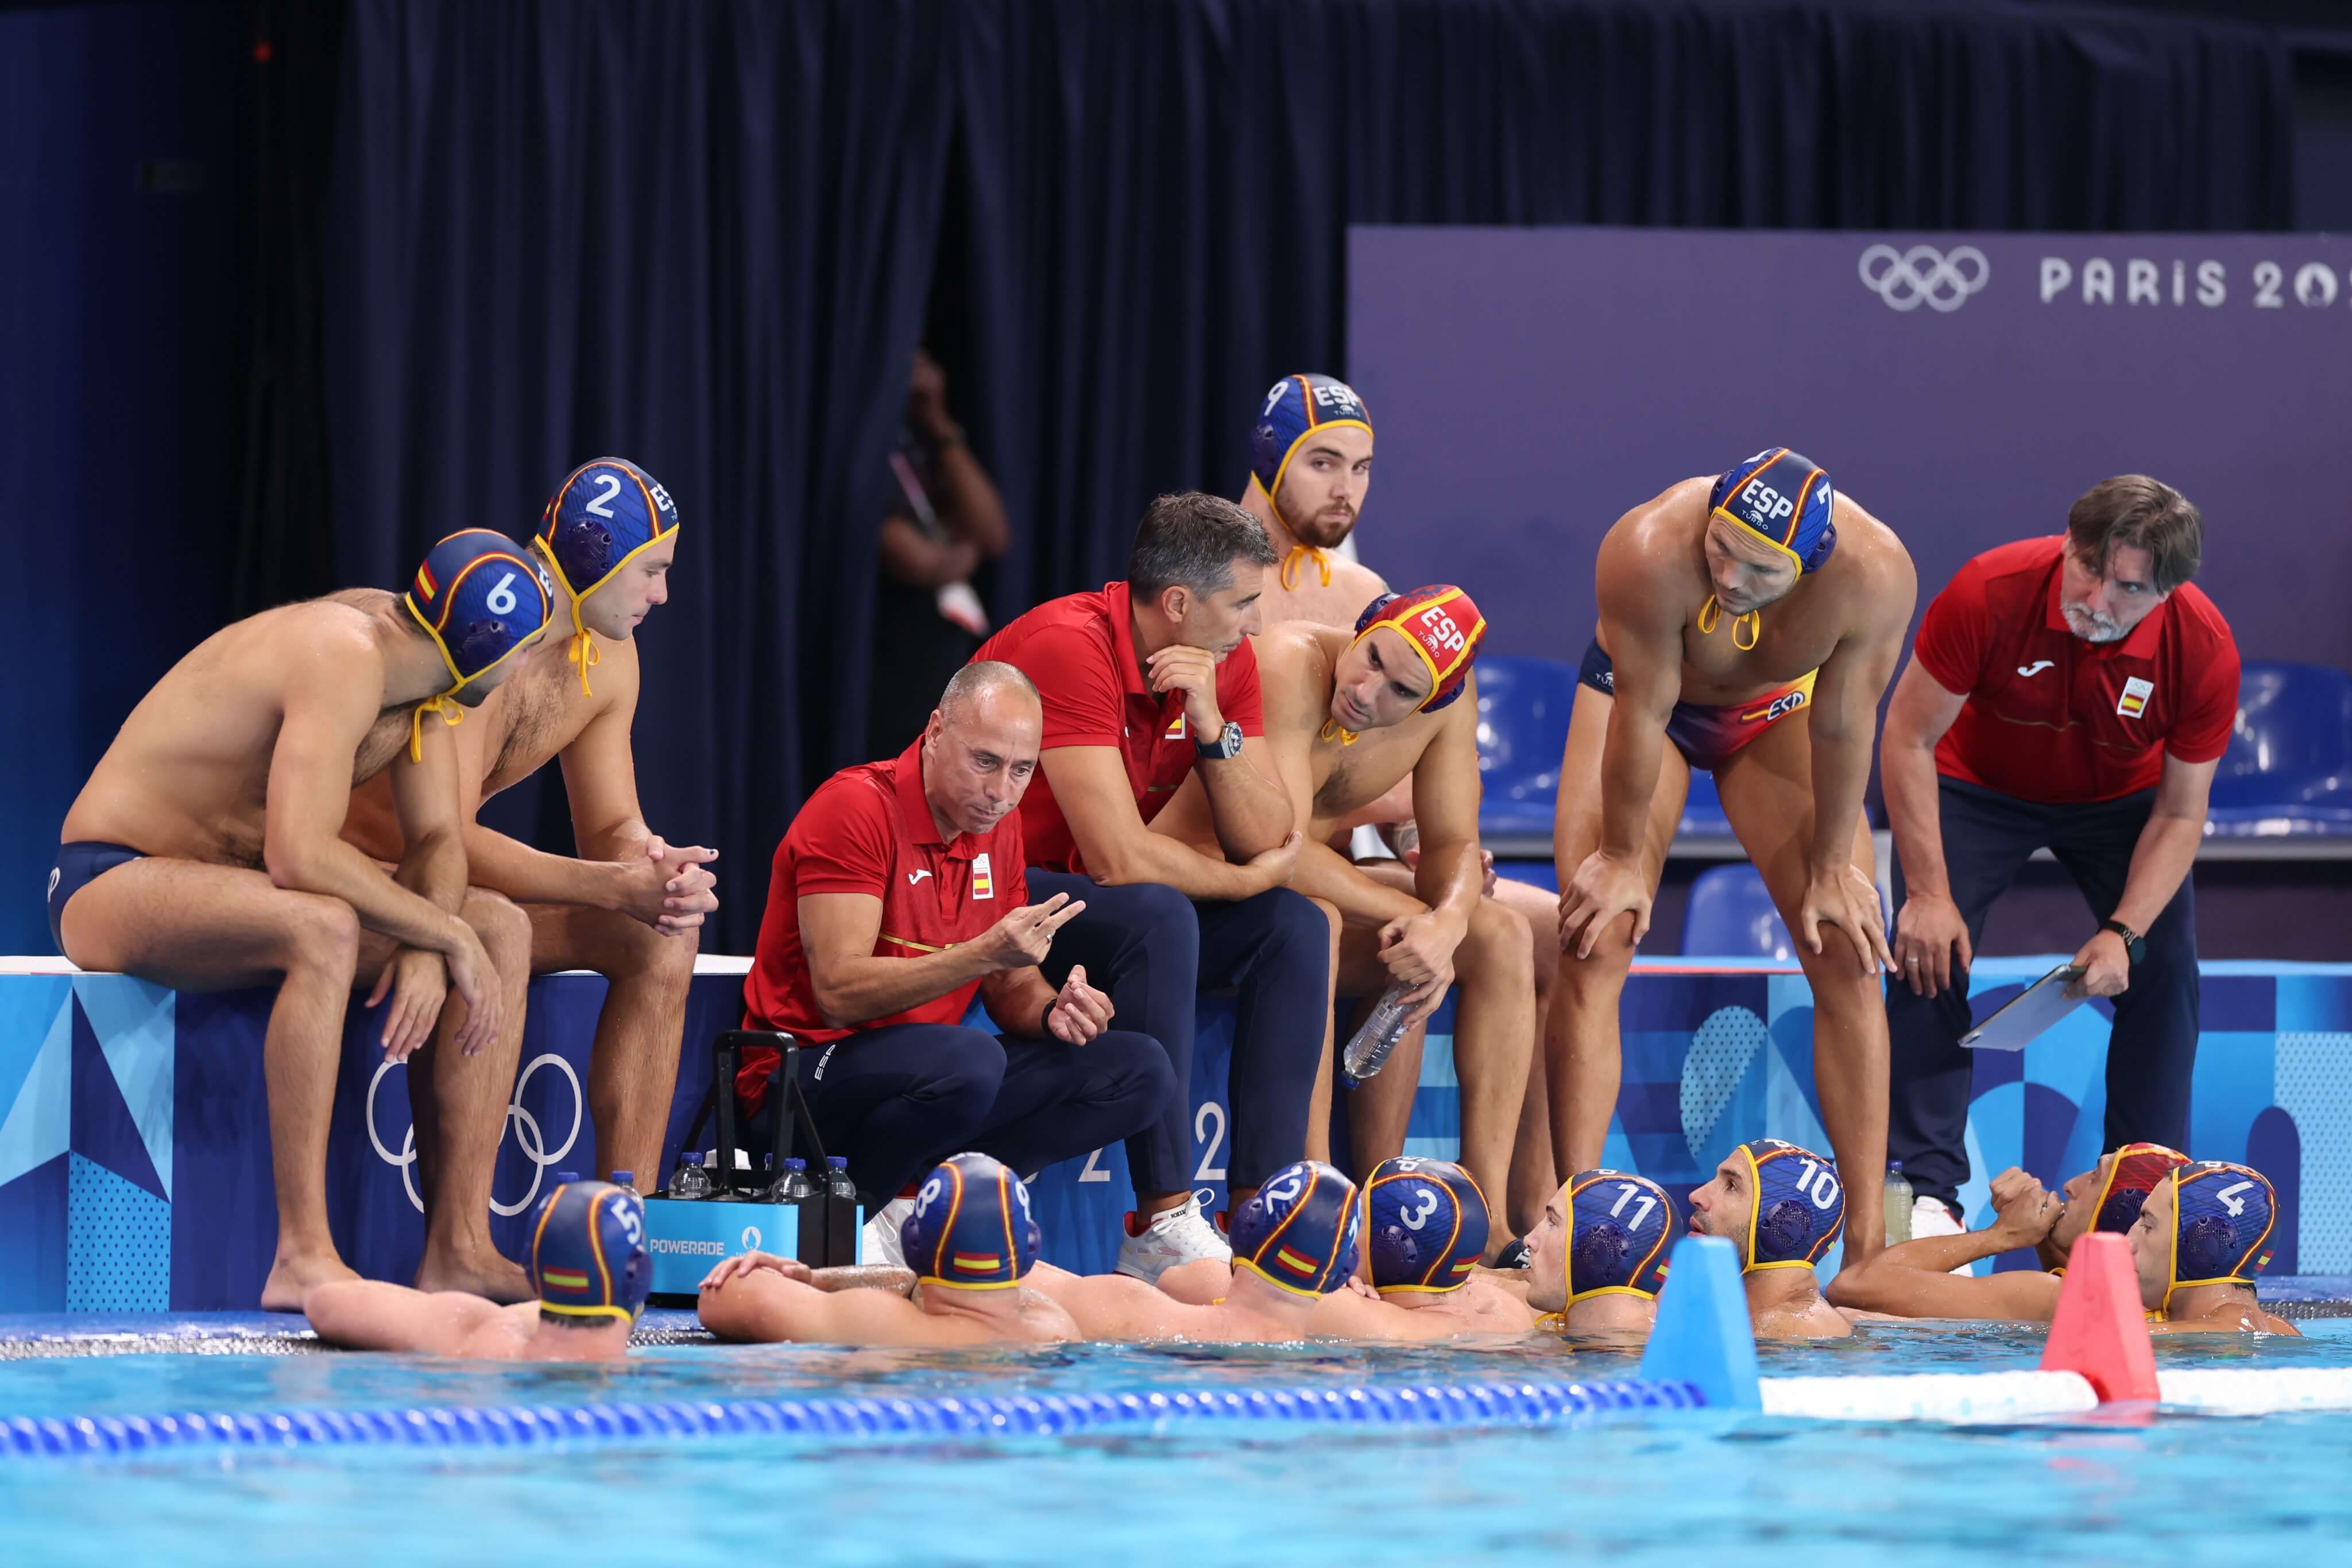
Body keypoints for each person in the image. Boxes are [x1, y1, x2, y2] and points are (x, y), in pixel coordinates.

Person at [49, 530, 551, 1309]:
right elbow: (298, 855)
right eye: (525, 655)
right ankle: (304, 1254)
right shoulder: (344, 653)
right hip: (111, 874)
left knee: (501, 927)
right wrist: (437, 930)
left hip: (229, 885)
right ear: (489, 650)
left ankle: (458, 1248)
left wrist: (436, 933)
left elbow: (439, 841)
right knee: (325, 927)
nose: (524, 674)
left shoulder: (421, 682)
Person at [1550, 449, 1913, 1265]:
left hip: (1781, 712)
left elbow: (1845, 725)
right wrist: (1616, 855)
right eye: (1720, 549)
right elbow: (1644, 714)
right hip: (1648, 704)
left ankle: (1865, 1249)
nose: (1731, 579)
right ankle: (1577, 1231)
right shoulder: (1645, 545)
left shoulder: (1875, 571)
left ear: (1812, 562)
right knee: (1594, 932)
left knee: (1850, 948)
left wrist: (1831, 866)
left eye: (1760, 568)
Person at [343, 458, 718, 1200]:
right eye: (651, 571)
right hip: (367, 875)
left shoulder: (610, 659)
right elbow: (443, 836)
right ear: (596, 556)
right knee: (498, 923)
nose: (662, 593)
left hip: (444, 881)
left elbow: (611, 822)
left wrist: (650, 862)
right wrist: (612, 883)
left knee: (663, 931)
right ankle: (460, 1233)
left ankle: (626, 1218)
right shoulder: (488, 616)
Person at [973, 494, 1324, 1279]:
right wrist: (1242, 879)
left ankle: (1263, 1217)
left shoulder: (1222, 663)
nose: (1255, 626)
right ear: (1176, 603)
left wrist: (1212, 726)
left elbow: (1270, 836)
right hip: (990, 891)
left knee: (1294, 926)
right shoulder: (1071, 646)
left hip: (1082, 908)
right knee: (1160, 912)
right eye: (1242, 604)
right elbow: (1119, 861)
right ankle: (1162, 1217)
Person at [1881, 477, 2235, 1240]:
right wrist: (1929, 891)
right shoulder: (1987, 590)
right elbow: (1905, 737)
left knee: (2164, 966)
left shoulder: (2202, 648)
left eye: (2130, 588)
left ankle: (2143, 1195)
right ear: (2068, 543)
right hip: (1975, 783)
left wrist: (2126, 932)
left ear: (2168, 592)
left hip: (2123, 802)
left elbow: (2180, 811)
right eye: (2087, 569)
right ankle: (1926, 1195)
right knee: (1925, 947)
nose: (2100, 601)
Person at [734, 661, 1174, 1256]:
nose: (1001, 792)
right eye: (985, 761)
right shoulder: (855, 808)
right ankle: (855, 1226)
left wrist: (1054, 1011)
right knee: (967, 1060)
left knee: (1140, 1069)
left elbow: (1011, 985)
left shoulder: (998, 824)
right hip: (801, 1082)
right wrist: (980, 953)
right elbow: (836, 992)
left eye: (1022, 770)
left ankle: (933, 1205)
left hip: (929, 1086)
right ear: (936, 732)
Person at [1158, 586, 1530, 1228]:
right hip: (1204, 893)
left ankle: (1480, 1222)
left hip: (1290, 895)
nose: (1366, 689)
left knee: (1500, 936)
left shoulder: (1446, 705)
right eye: (1373, 658)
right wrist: (1404, 909)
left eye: (1399, 690)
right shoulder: (1290, 664)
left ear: (1430, 699)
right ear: (1361, 628)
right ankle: (1318, 1205)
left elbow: (1454, 844)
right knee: (1319, 923)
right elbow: (1279, 848)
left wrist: (1446, 921)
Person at [698, 1153, 1080, 1346]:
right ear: (1029, 1248)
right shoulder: (1055, 1328)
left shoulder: (881, 1322)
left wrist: (814, 1280)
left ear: (912, 1244)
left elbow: (724, 1294)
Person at [1823, 1146, 2189, 1321]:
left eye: (2095, 1177)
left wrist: (2000, 1236)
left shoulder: (2057, 1298)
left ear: (2118, 1212)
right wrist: (2045, 1238)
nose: (2070, 1184)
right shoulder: (2171, 1310)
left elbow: (1854, 1285)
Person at [303, 1180, 648, 1361]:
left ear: (532, 1272)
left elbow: (324, 1303)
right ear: (638, 1280)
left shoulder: (484, 1338)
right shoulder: (645, 1388)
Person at [1024, 1160, 1361, 1341]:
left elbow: (1009, 1282)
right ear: (1342, 1273)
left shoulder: (1137, 1313)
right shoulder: (1339, 1373)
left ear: (1242, 1227)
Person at [866, 350, 1013, 753]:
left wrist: (938, 422)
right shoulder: (863, 442)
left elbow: (994, 533)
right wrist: (962, 550)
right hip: (887, 657)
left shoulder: (925, 439)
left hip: (944, 648)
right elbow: (920, 560)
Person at [1307, 1158, 1535, 1338]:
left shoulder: (1346, 1315)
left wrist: (1334, 1276)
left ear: (1391, 1251)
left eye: (1359, 1215)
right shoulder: (1508, 1314)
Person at [1240, 373, 1387, 629]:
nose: (1345, 490)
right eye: (1323, 463)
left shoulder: (1369, 596)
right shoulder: (1204, 587)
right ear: (1269, 461)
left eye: (1360, 467)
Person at [1684, 1139, 1852, 1338]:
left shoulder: (1782, 1328)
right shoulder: (1755, 1318)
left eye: (1731, 1186)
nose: (1696, 1196)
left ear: (1783, 1224)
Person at [2133, 1162, 2298, 1334]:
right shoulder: (2282, 1330)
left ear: (2203, 1247)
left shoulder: (2223, 1337)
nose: (2129, 1243)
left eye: (2148, 1226)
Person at [1519, 1169, 1676, 1334]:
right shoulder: (1657, 1342)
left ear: (1599, 1253)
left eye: (1552, 1222)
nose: (1529, 1240)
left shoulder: (1508, 1318)